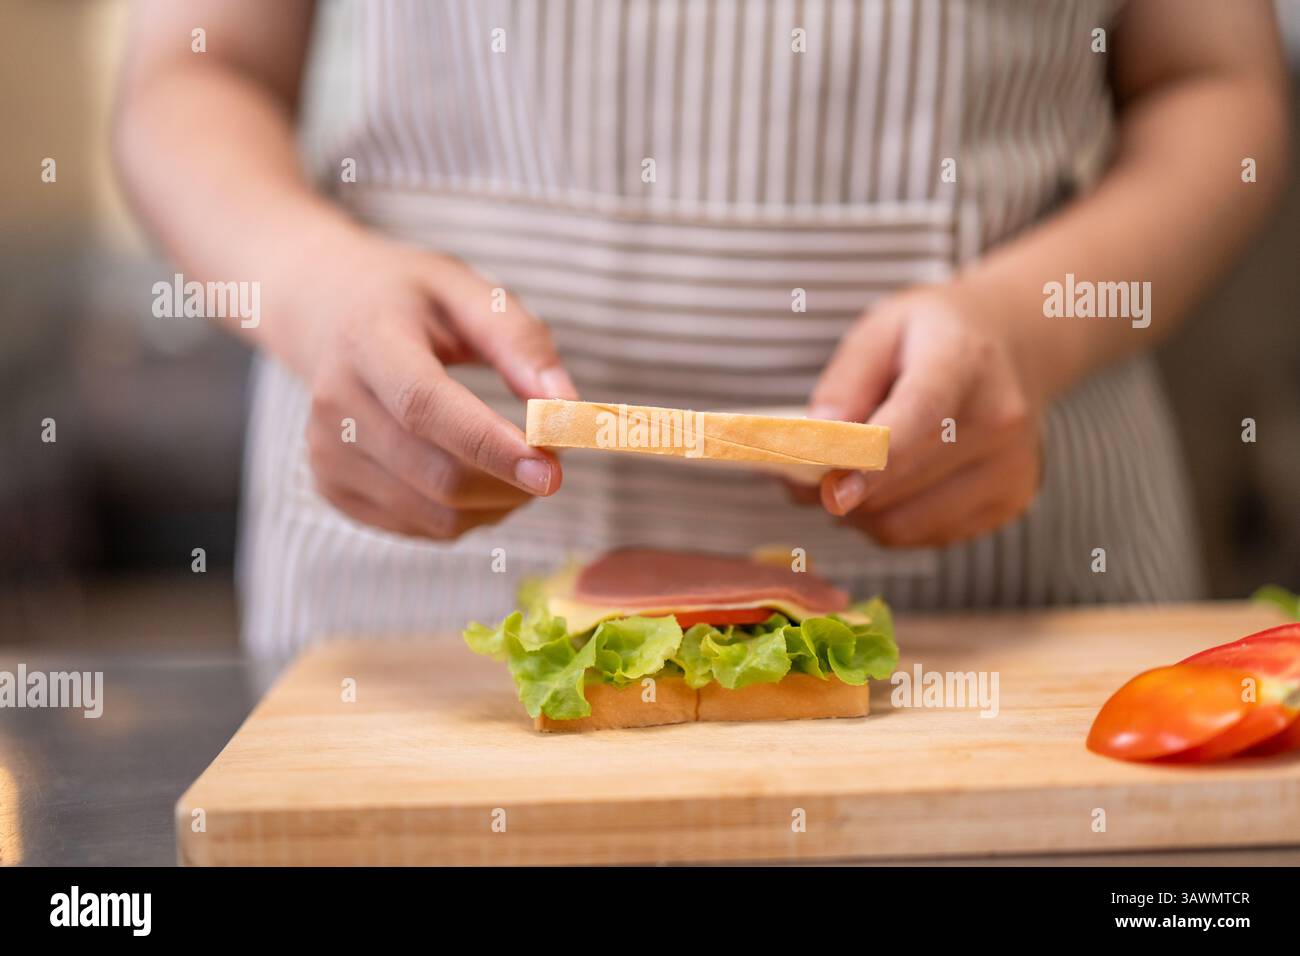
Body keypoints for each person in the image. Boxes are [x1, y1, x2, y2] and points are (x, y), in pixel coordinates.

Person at [113, 0, 1289, 659]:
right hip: (418, 617)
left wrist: (1028, 332)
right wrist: (319, 291)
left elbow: (1216, 84)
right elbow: (185, 75)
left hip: (1005, 609)